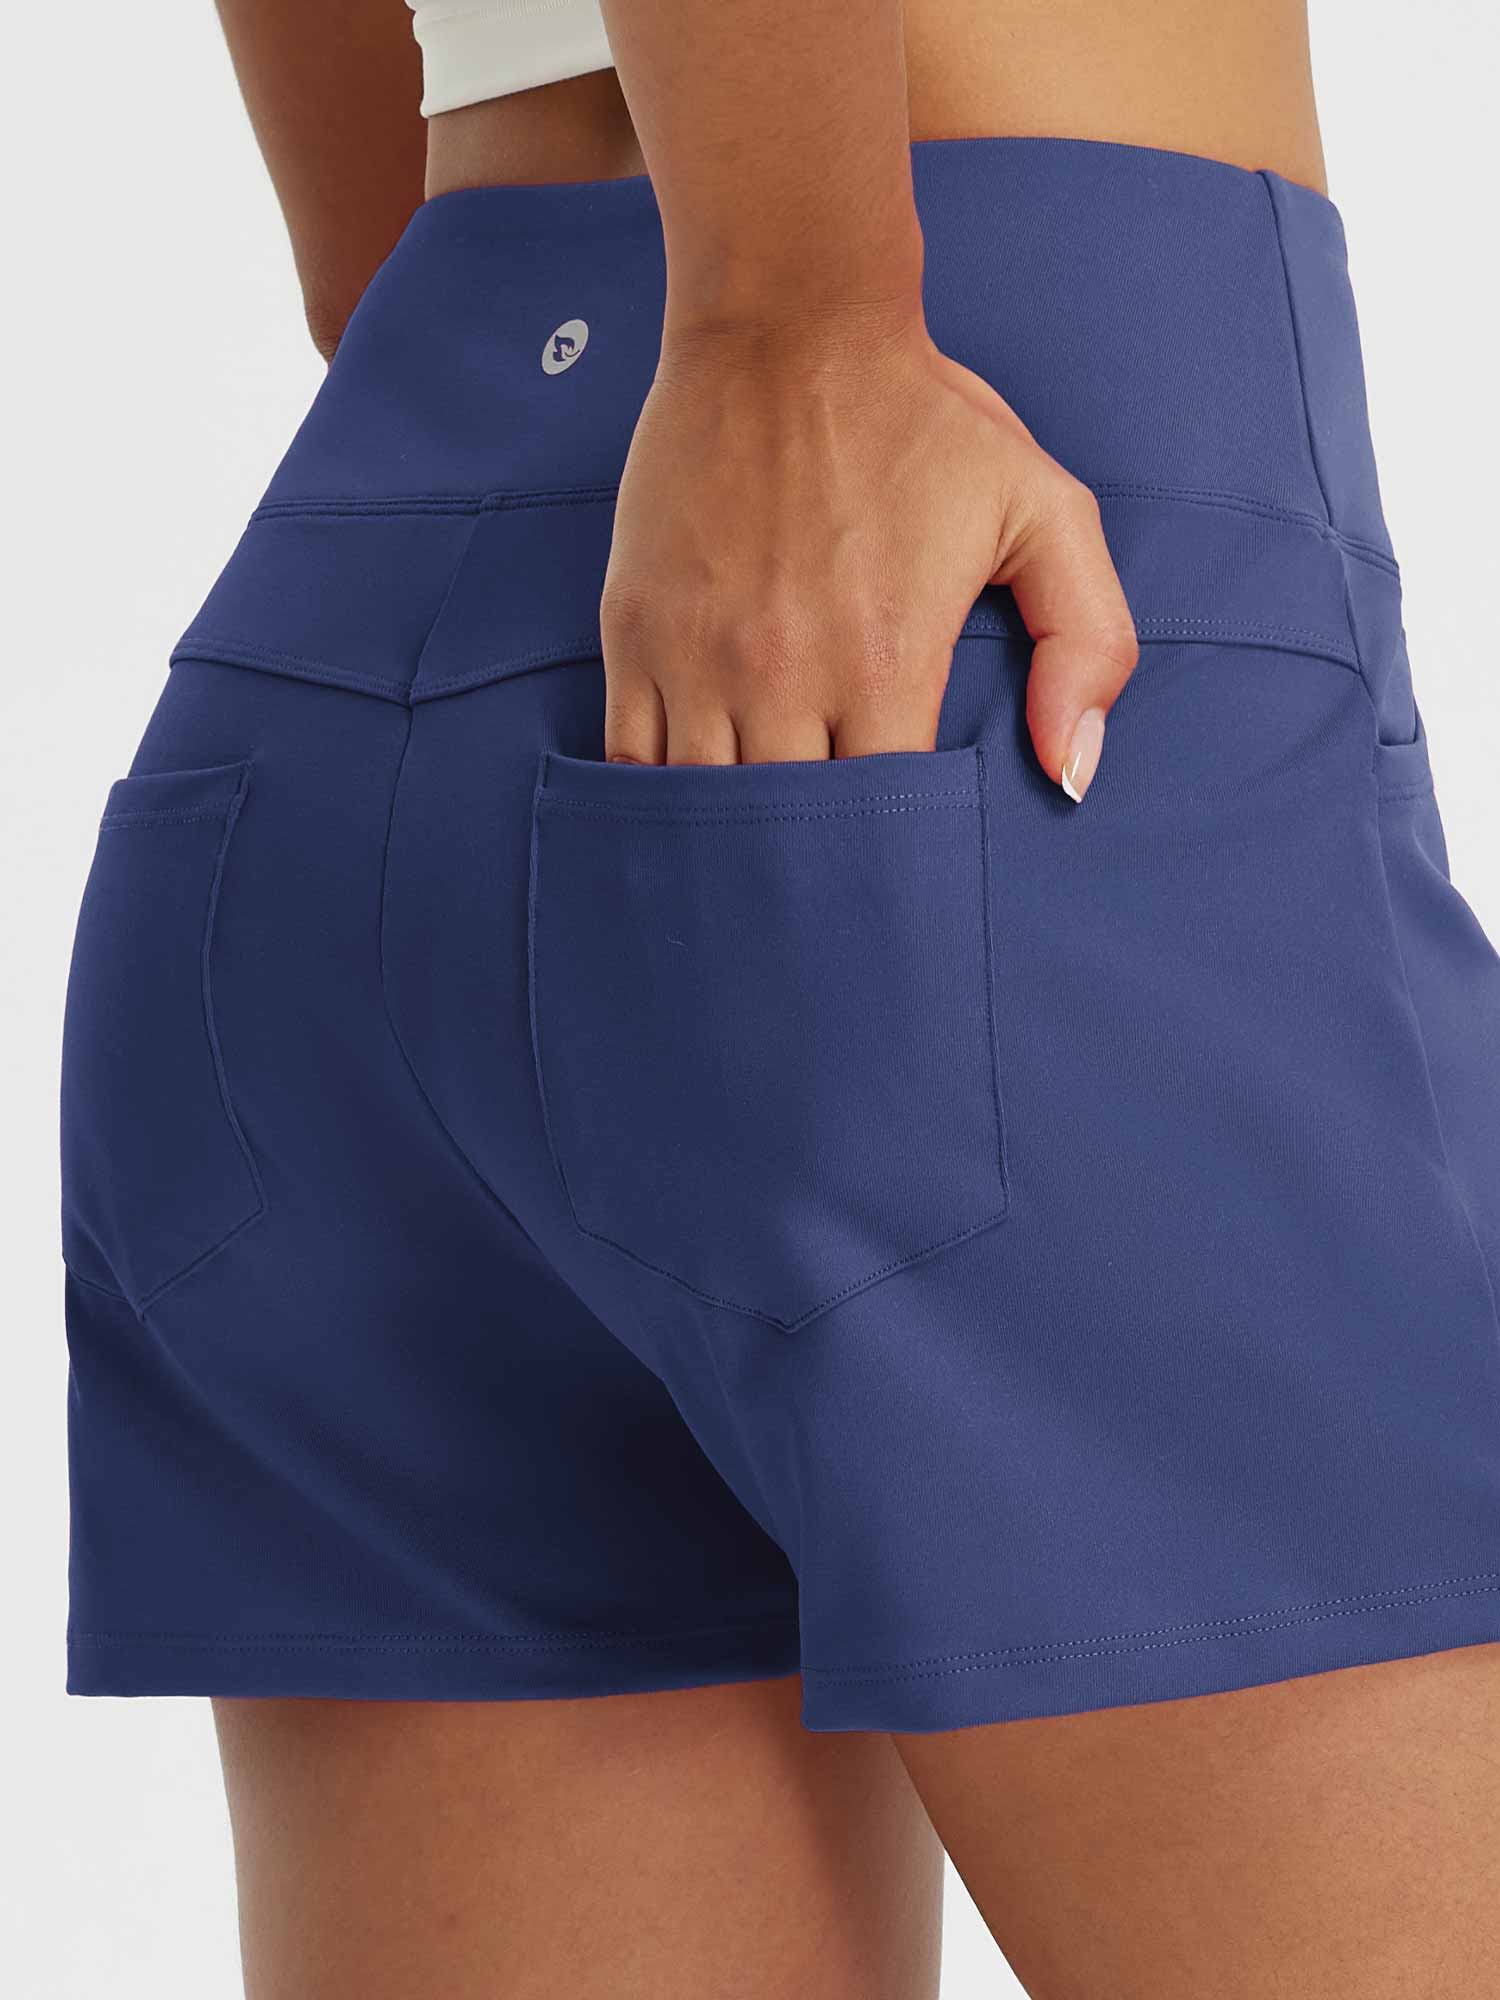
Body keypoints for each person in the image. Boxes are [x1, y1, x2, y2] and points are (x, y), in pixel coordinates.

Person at [60, 0, 1500, 1993]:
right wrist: (788, 326)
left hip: (359, 651)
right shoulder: (815, 340)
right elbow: (768, 329)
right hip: (955, 612)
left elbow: (358, 251)